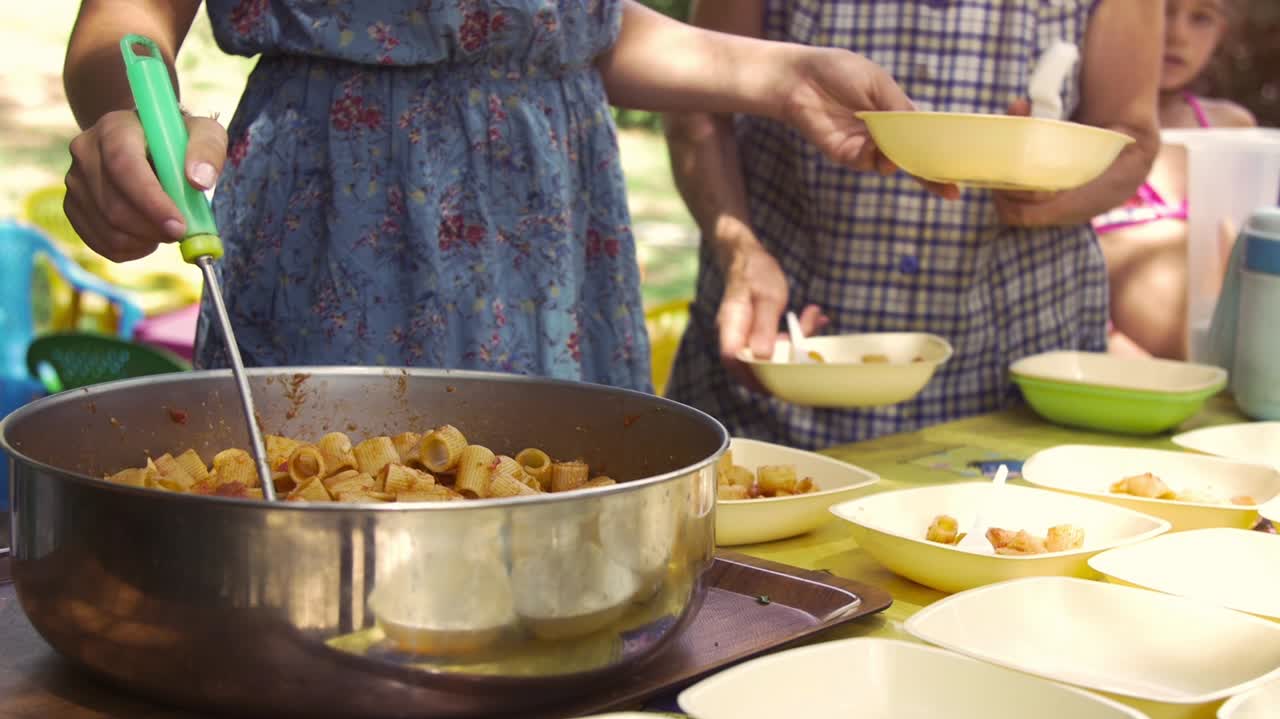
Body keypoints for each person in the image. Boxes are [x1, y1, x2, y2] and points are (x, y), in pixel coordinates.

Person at [61, 0, 936, 393]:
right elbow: (124, 20)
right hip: (338, 224)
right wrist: (125, 117)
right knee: (325, 543)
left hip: (554, 242)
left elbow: (560, 27)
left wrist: (783, 78)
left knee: (559, 572)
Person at [663, 0, 1162, 449]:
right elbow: (699, 109)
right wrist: (739, 250)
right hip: (783, 361)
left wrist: (1044, 191)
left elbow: (1132, 137)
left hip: (1013, 380)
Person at [1094, 0, 1257, 360]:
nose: (1177, 33)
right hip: (1127, 368)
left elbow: (1245, 251)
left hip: (1241, 362)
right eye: (1162, 10)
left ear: (1220, 35)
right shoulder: (1091, 128)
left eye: (1201, 18)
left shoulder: (1231, 128)